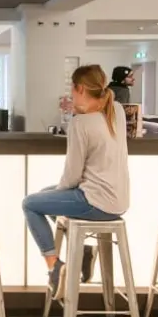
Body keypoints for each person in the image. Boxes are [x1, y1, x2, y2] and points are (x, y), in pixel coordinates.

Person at [22, 64, 129, 299]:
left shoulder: (80, 124)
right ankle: (84, 252)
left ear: (79, 88)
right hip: (118, 202)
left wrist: (56, 196)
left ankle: (54, 266)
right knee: (45, 194)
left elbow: (72, 176)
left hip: (95, 202)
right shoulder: (117, 110)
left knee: (31, 203)